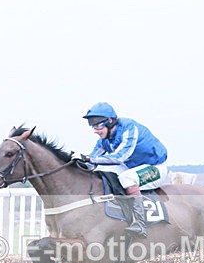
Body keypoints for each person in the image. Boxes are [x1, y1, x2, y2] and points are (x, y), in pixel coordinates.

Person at [71, 102, 168, 238]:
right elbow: (93, 159)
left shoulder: (129, 127)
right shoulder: (104, 139)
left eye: (98, 126)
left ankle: (140, 223)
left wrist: (89, 159)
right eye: (93, 127)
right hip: (130, 168)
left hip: (155, 168)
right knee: (101, 169)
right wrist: (78, 162)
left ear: (110, 121)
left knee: (127, 178)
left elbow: (120, 156)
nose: (96, 130)